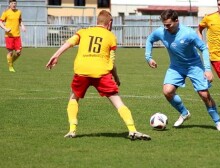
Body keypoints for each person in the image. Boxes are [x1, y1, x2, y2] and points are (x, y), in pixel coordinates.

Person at [46, 10, 151, 140]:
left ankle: (72, 130)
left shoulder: (83, 32)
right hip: (101, 73)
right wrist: (116, 77)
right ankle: (132, 130)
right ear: (110, 23)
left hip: (82, 71)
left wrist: (55, 56)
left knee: (73, 99)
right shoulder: (111, 36)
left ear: (97, 21)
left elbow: (68, 43)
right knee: (118, 102)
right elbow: (111, 62)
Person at [145, 9, 220, 131]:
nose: (166, 27)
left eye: (169, 25)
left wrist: (208, 69)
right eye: (164, 25)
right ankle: (184, 113)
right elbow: (150, 39)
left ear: (176, 21)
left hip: (194, 66)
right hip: (176, 67)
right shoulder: (161, 32)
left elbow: (203, 48)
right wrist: (149, 57)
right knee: (167, 91)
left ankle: (217, 122)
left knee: (204, 95)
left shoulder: (188, 33)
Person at [0, 0, 26, 72]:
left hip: (17, 35)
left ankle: (10, 62)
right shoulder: (6, 12)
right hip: (9, 35)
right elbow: (0, 22)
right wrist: (5, 28)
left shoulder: (19, 12)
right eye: (12, 3)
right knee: (10, 52)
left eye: (15, 3)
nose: (14, 4)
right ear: (9, 4)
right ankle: (10, 66)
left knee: (18, 52)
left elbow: (20, 21)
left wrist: (22, 26)